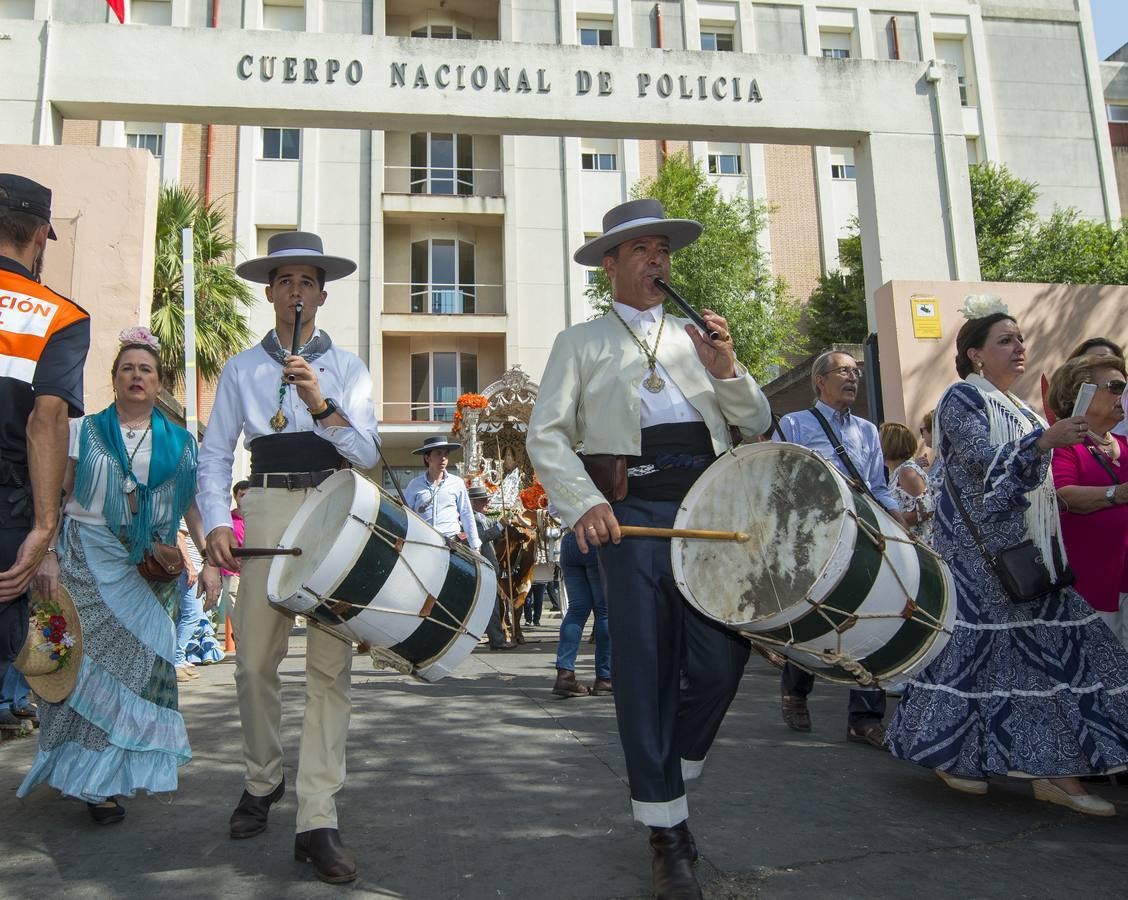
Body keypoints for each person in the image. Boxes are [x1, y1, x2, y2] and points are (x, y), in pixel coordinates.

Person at [528, 199, 770, 900]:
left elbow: (754, 420)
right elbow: (547, 435)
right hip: (627, 515)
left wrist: (727, 367)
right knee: (643, 669)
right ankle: (667, 832)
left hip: (708, 508)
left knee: (721, 662)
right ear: (611, 266)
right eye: (640, 250)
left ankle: (670, 776)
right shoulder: (579, 341)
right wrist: (587, 504)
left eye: (663, 249)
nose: (657, 260)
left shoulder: (699, 335)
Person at [886, 296, 1128, 814]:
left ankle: (1056, 772)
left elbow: (1035, 480)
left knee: (1060, 655)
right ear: (975, 355)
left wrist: (1088, 443)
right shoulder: (961, 401)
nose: (1019, 348)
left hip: (1025, 553)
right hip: (977, 559)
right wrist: (1043, 444)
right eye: (1005, 340)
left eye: (1020, 339)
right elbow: (980, 466)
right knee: (976, 658)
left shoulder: (1019, 410)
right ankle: (958, 756)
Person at [199, 232, 380, 883]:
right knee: (252, 663)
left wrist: (318, 403)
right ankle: (261, 778)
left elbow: (366, 454)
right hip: (268, 508)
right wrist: (218, 522)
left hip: (333, 509)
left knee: (330, 671)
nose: (297, 292)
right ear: (271, 292)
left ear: (323, 294)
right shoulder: (243, 368)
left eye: (308, 282)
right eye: (286, 281)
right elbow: (216, 453)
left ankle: (317, 817)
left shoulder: (351, 369)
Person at [19, 328, 217, 824]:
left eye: (145, 369)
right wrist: (45, 555)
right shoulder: (83, 430)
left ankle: (107, 775)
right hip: (85, 560)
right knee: (82, 673)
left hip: (150, 574)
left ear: (159, 383)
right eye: (127, 368)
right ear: (113, 380)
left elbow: (191, 504)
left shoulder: (181, 441)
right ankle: (87, 778)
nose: (136, 375)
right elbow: (57, 498)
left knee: (138, 676)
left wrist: (209, 559)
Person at [773, 350, 901, 749]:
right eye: (844, 371)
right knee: (813, 616)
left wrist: (897, 525)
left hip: (864, 532)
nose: (853, 377)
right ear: (820, 381)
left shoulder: (866, 430)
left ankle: (864, 719)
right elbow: (779, 479)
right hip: (815, 538)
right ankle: (796, 688)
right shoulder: (794, 424)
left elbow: (877, 486)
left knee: (871, 618)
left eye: (856, 371)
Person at [0, 174, 90, 727]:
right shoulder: (59, 316)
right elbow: (47, 419)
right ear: (39, 239)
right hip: (8, 509)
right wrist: (44, 528)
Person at [1047, 354, 1128, 647]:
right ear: (1081, 392)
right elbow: (1063, 494)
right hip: (1091, 585)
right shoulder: (1066, 445)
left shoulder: (1124, 445)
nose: (1124, 394)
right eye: (1116, 387)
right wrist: (1118, 494)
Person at [552, 528, 612, 698]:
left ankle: (565, 674)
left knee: (576, 610)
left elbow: (554, 511)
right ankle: (605, 678)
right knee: (605, 611)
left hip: (569, 539)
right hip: (595, 537)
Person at [403, 435, 480, 551]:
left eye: (446, 454)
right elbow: (406, 515)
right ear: (427, 458)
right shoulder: (414, 485)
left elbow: (466, 514)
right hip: (423, 544)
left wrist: (475, 546)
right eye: (438, 453)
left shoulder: (457, 483)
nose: (443, 458)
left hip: (452, 545)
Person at [467, 484, 511, 650]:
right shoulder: (471, 518)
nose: (487, 502)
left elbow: (491, 523)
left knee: (488, 605)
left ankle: (494, 638)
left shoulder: (481, 517)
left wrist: (506, 520)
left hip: (488, 568)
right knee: (490, 606)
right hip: (482, 567)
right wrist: (500, 527)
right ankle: (497, 640)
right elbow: (480, 537)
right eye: (482, 500)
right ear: (473, 502)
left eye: (486, 499)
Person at [880, 421, 934, 544]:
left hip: (920, 547)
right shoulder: (898, 472)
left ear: (890, 445)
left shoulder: (906, 472)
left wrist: (891, 520)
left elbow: (927, 509)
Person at [217, 479, 249, 645]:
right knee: (234, 602)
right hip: (231, 569)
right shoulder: (228, 520)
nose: (245, 498)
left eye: (248, 494)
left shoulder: (257, 518)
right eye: (241, 494)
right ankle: (240, 638)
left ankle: (247, 638)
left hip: (253, 568)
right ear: (236, 497)